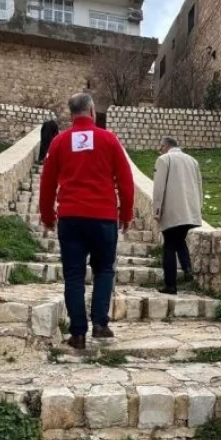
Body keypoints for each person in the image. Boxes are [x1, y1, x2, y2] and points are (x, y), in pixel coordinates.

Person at [39, 93, 135, 350]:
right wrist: (126, 214)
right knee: (104, 270)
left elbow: (47, 183)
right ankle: (100, 324)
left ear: (71, 115)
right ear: (92, 111)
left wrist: (48, 217)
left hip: (70, 218)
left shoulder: (59, 142)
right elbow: (126, 182)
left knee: (73, 275)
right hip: (103, 218)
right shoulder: (109, 140)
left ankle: (78, 334)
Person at [152, 137, 203, 294]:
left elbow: (159, 187)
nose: (160, 150)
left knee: (169, 244)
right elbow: (199, 186)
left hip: (172, 209)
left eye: (161, 147)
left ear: (166, 146)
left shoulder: (164, 159)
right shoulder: (193, 161)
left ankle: (170, 285)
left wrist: (156, 210)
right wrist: (198, 208)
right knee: (180, 240)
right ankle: (187, 269)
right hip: (190, 210)